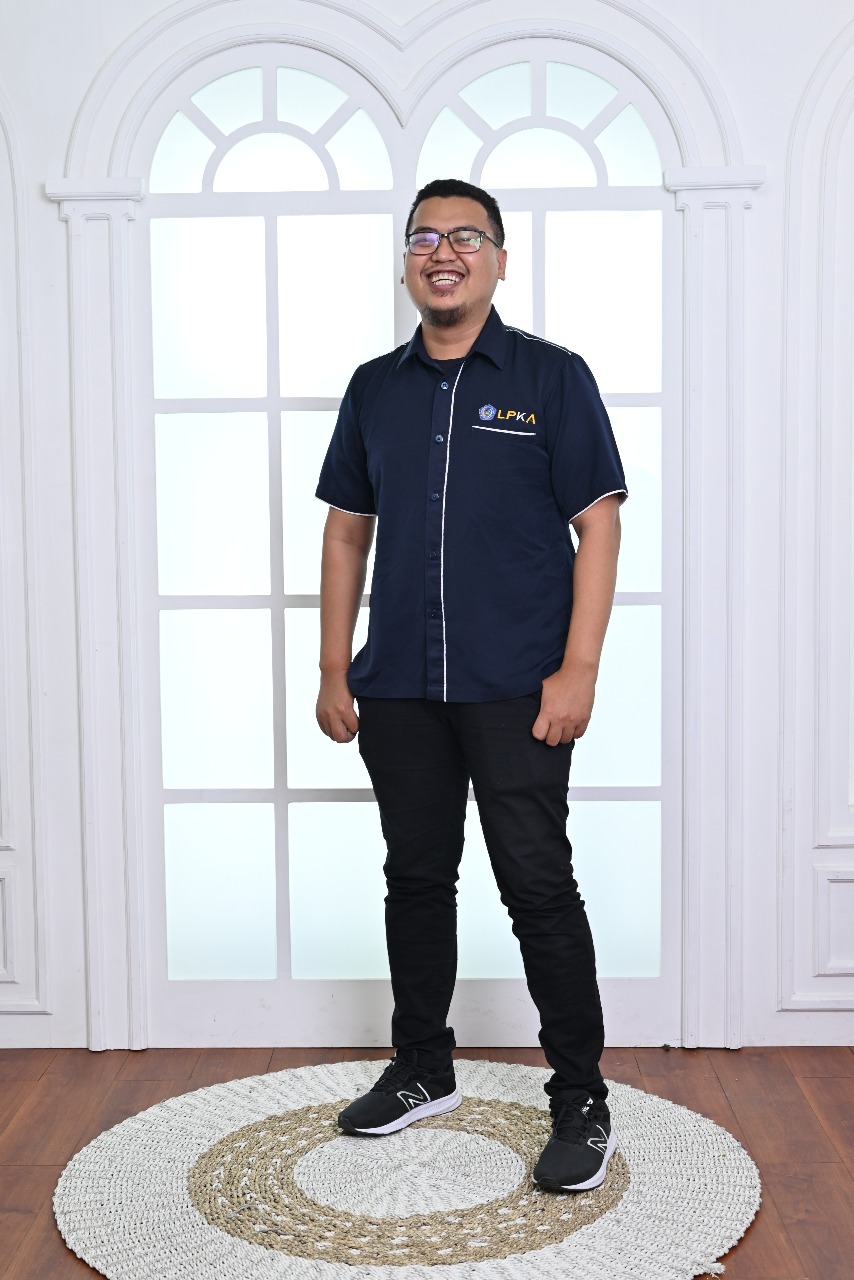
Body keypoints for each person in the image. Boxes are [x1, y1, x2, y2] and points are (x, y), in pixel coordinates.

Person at [315, 177, 627, 1192]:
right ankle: (422, 1066)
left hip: (516, 685)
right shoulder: (374, 388)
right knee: (415, 876)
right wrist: (332, 667)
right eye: (423, 237)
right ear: (406, 262)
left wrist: (577, 669)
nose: (441, 252)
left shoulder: (551, 377)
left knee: (537, 885)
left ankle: (580, 1097)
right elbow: (347, 531)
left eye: (464, 236)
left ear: (497, 258)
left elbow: (598, 526)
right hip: (399, 684)